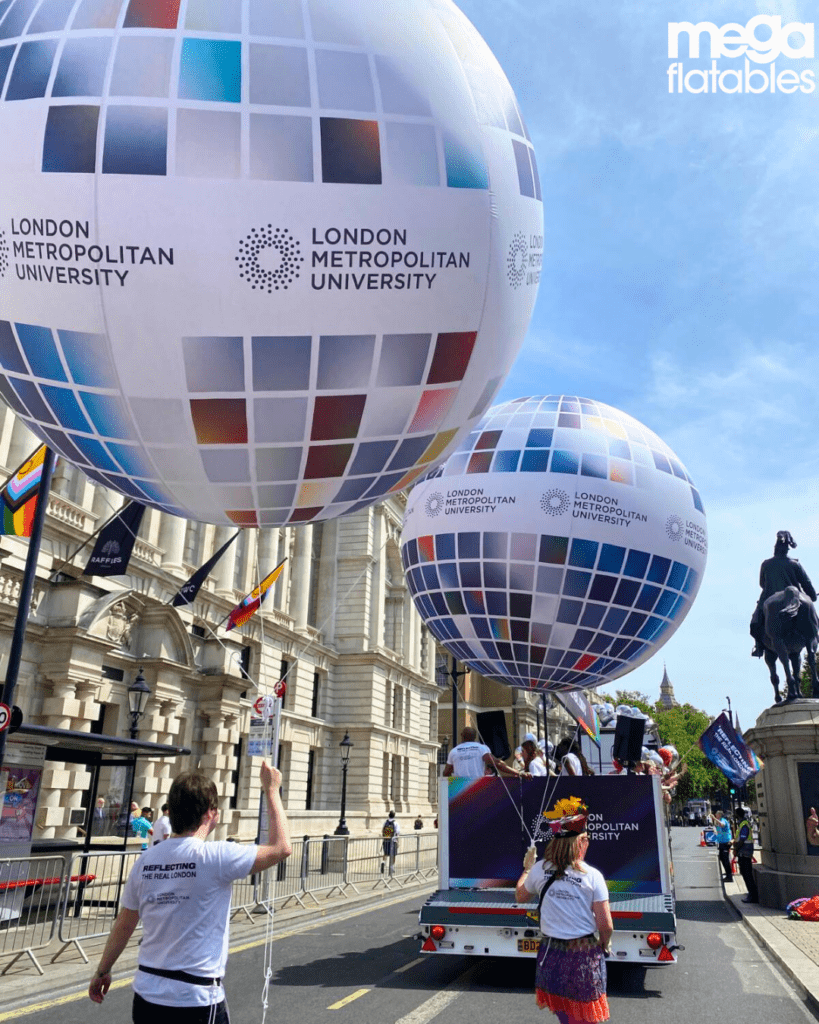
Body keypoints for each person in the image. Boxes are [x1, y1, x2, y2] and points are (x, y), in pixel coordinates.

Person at [88, 762, 291, 1023]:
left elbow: (125, 924)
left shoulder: (145, 861)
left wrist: (102, 970)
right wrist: (271, 789)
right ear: (211, 814)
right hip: (195, 998)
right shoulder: (216, 856)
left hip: (147, 995)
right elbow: (282, 847)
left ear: (171, 812)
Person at [516, 797, 613, 1023]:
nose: (588, 843)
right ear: (579, 842)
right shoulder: (592, 876)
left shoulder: (540, 870)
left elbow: (520, 895)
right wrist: (604, 942)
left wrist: (527, 869)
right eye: (586, 839)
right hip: (582, 953)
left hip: (551, 953)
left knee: (565, 1014)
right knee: (585, 1016)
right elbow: (605, 925)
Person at [751, 531, 817, 657]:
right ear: (787, 550)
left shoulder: (766, 564)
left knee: (755, 622)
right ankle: (813, 639)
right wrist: (812, 596)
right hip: (796, 597)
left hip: (768, 597)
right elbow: (806, 583)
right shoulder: (795, 564)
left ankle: (759, 646)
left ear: (775, 548)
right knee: (812, 618)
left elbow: (762, 584)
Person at [443, 726, 526, 779]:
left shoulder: (454, 751)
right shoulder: (481, 749)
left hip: (459, 789)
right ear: (475, 737)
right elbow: (497, 764)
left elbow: (446, 773)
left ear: (462, 735)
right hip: (477, 786)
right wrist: (518, 773)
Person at [733, 805, 759, 904]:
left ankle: (753, 895)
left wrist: (736, 848)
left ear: (737, 815)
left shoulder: (744, 824)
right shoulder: (742, 823)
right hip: (743, 852)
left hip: (745, 852)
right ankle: (751, 894)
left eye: (735, 815)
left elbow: (743, 839)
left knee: (747, 874)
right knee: (744, 873)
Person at [710, 806, 733, 881]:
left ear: (719, 815)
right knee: (722, 858)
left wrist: (715, 818)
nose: (715, 815)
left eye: (716, 814)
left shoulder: (723, 820)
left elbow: (722, 825)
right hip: (721, 842)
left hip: (725, 842)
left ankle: (729, 876)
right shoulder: (719, 821)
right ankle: (727, 874)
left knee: (725, 859)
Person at [381, 810, 400, 875]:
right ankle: (391, 867)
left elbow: (382, 830)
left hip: (386, 840)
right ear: (394, 815)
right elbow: (397, 832)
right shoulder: (395, 823)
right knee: (393, 855)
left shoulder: (385, 822)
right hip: (393, 840)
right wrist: (398, 841)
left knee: (385, 853)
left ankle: (383, 862)